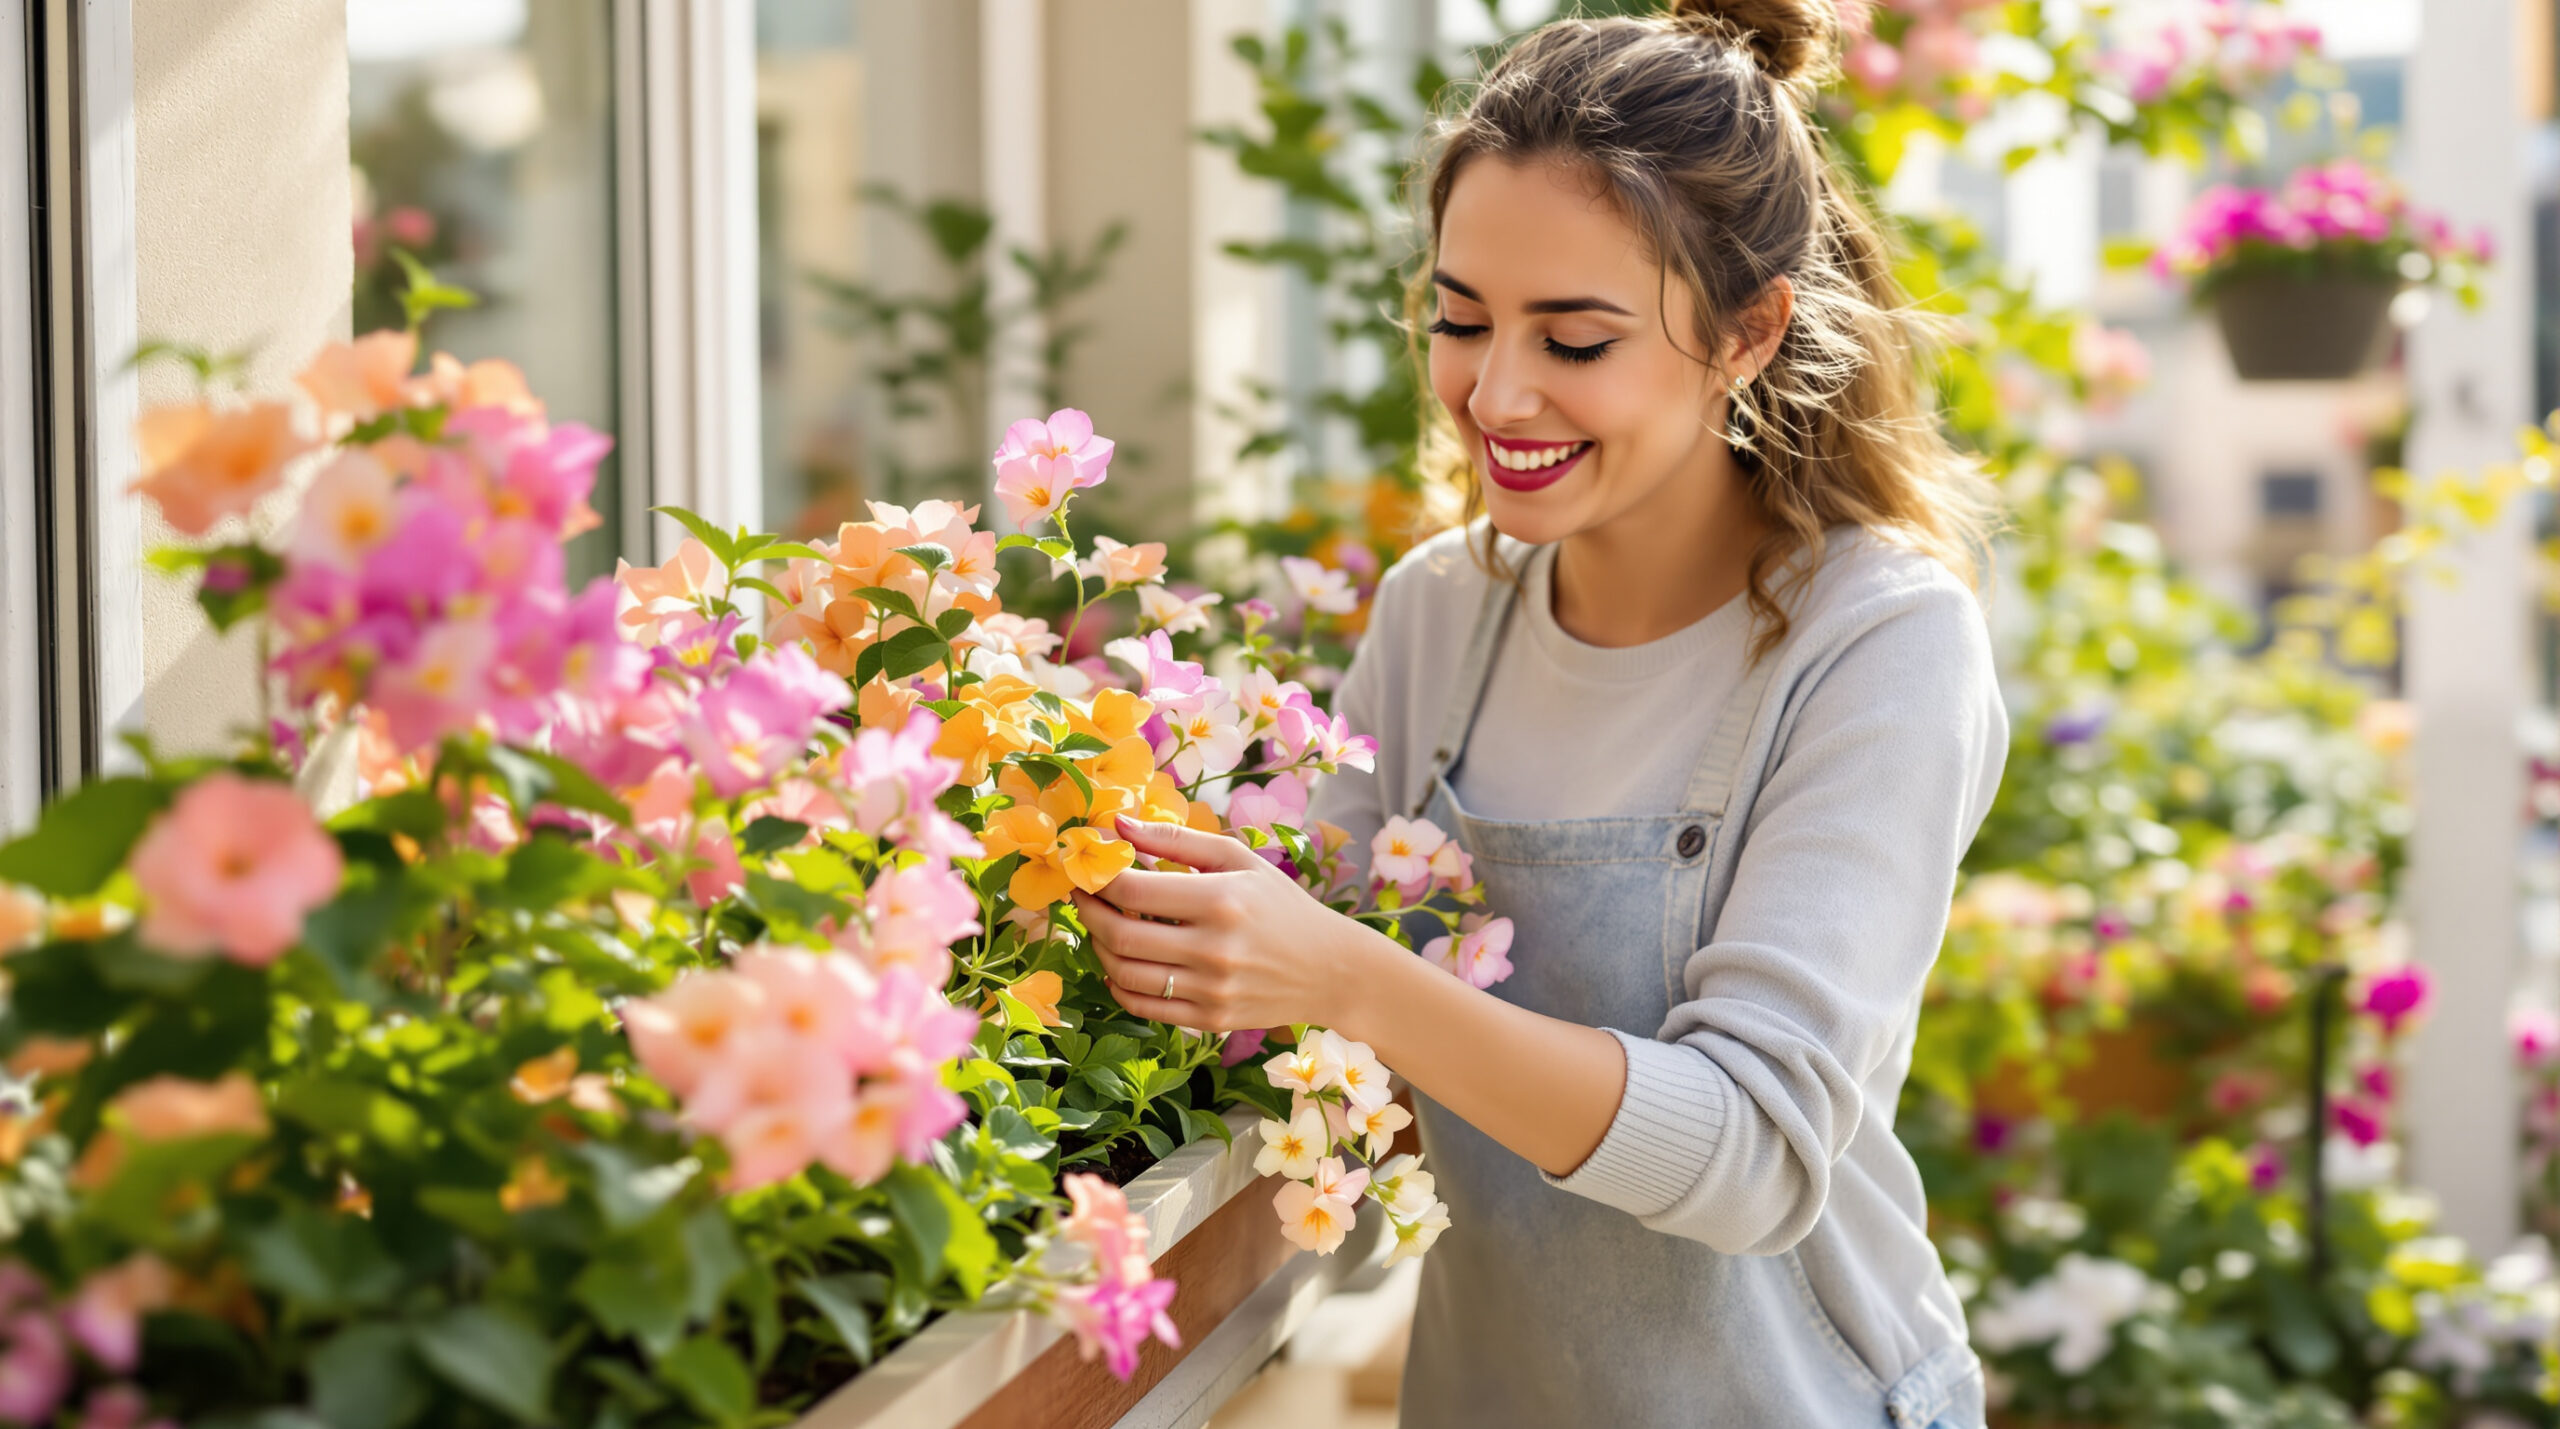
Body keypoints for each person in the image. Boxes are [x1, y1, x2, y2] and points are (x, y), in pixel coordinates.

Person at [1067, 2, 2007, 1423]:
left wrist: (1346, 975)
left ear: (1749, 333)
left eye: (1575, 339)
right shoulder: (1442, 612)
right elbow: (1285, 1008)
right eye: (1459, 319)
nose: (1494, 391)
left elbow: (1754, 1155)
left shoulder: (1877, 645)